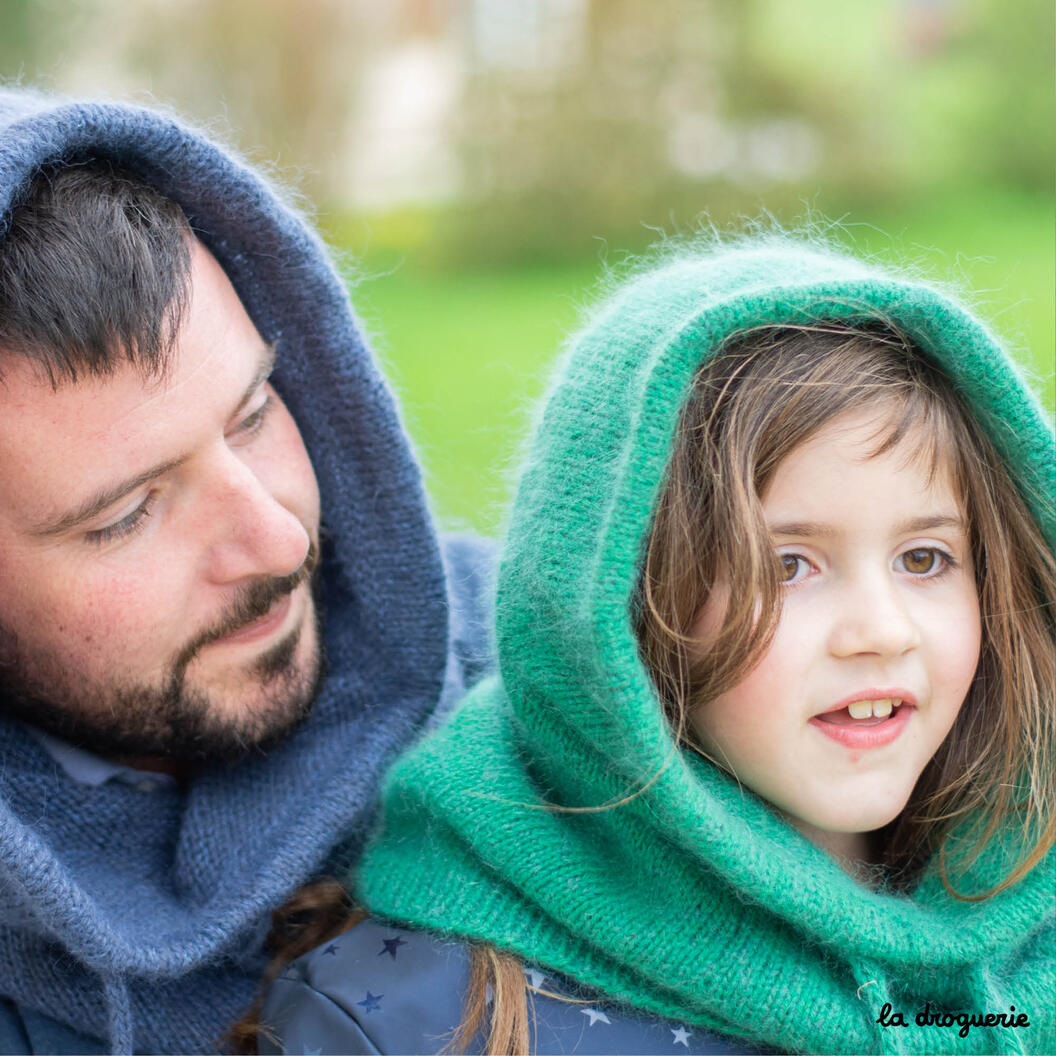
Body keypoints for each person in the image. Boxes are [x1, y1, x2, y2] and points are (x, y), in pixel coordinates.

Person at [257, 239, 1055, 1054]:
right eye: (786, 566)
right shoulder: (411, 1019)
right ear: (617, 614)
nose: (883, 630)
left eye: (925, 558)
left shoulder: (1032, 946)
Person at [0, 89, 493, 1054]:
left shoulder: (583, 685)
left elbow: (886, 1009)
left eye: (255, 413)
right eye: (129, 514)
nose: (277, 544)